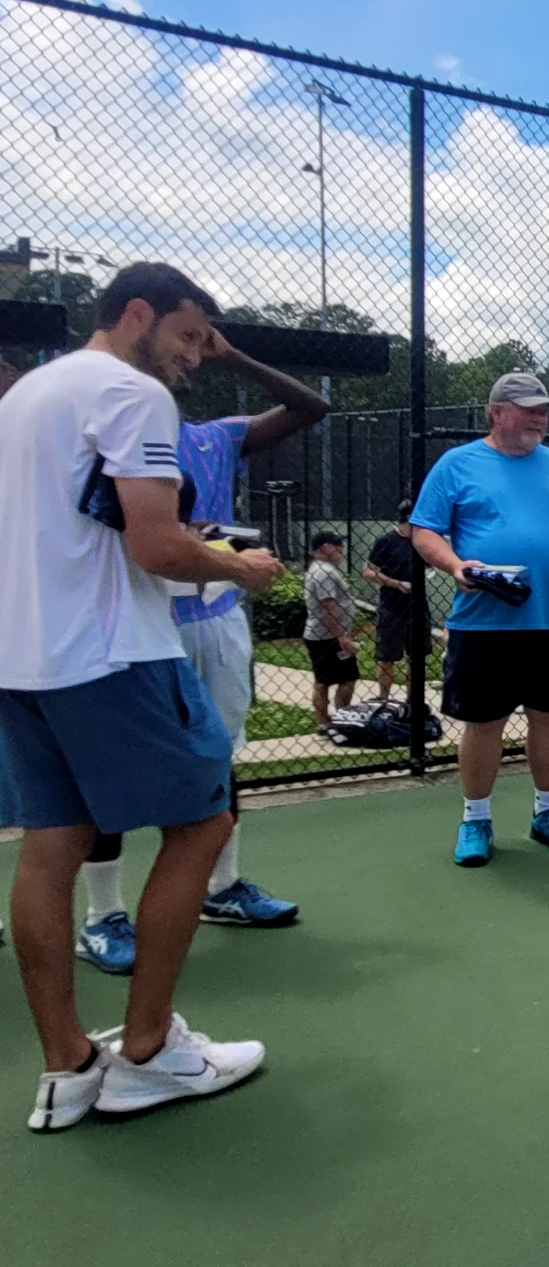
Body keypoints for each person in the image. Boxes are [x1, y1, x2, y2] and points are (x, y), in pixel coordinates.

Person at [0, 262, 280, 1131]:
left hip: (21, 656)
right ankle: (150, 1054)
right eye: (188, 336)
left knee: (50, 845)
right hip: (113, 654)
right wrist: (239, 566)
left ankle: (67, 1068)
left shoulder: (26, 396)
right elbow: (157, 547)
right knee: (204, 823)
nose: (195, 356)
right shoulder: (133, 393)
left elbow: (91, 525)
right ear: (135, 314)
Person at [75, 330, 324, 971]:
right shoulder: (87, 438)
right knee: (110, 766)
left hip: (213, 619)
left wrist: (234, 356)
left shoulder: (214, 437)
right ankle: (102, 915)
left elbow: (310, 407)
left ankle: (223, 887)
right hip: (128, 621)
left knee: (220, 753)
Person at [410, 372, 549, 867]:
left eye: (543, 410)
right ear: (496, 412)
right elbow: (424, 531)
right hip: (482, 621)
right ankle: (475, 820)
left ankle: (548, 813)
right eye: (528, 408)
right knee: (483, 723)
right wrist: (455, 565)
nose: (539, 417)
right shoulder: (457, 464)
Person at [362, 500, 421, 700]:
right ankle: (384, 699)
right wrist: (396, 584)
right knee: (387, 658)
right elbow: (368, 571)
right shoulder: (386, 540)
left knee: (416, 657)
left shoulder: (420, 542)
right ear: (410, 517)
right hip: (392, 605)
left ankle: (413, 701)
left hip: (417, 606)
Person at [303, 532, 360, 727]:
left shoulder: (321, 569)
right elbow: (328, 605)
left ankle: (329, 721)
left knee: (327, 679)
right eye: (337, 544)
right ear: (324, 547)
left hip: (325, 634)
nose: (341, 548)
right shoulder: (324, 572)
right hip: (327, 636)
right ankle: (337, 720)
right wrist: (342, 636)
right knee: (345, 678)